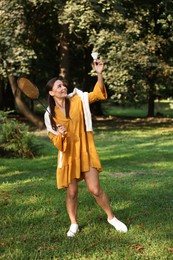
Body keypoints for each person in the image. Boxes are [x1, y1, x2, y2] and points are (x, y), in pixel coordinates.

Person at [44, 59, 128, 237]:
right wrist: (60, 134)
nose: (63, 88)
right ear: (52, 92)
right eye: (59, 86)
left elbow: (98, 94)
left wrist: (99, 73)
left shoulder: (78, 99)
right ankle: (74, 224)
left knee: (95, 189)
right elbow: (56, 142)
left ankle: (111, 218)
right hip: (68, 156)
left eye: (63, 85)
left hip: (85, 150)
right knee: (72, 192)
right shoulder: (49, 115)